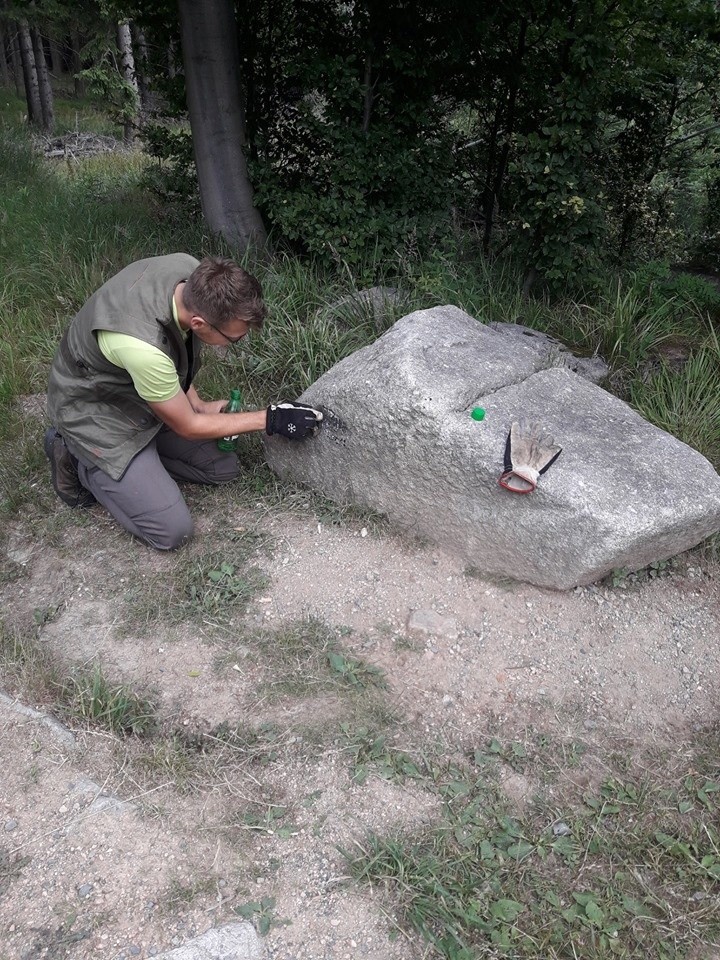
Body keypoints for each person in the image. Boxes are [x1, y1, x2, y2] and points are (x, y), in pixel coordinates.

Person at [45, 253, 323, 550]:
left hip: (137, 394)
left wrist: (200, 405)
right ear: (199, 322)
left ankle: (140, 469)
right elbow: (188, 425)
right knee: (173, 532)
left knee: (222, 467)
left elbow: (174, 350)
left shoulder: (191, 274)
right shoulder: (144, 349)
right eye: (235, 339)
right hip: (94, 412)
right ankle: (78, 457)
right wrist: (272, 419)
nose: (238, 344)